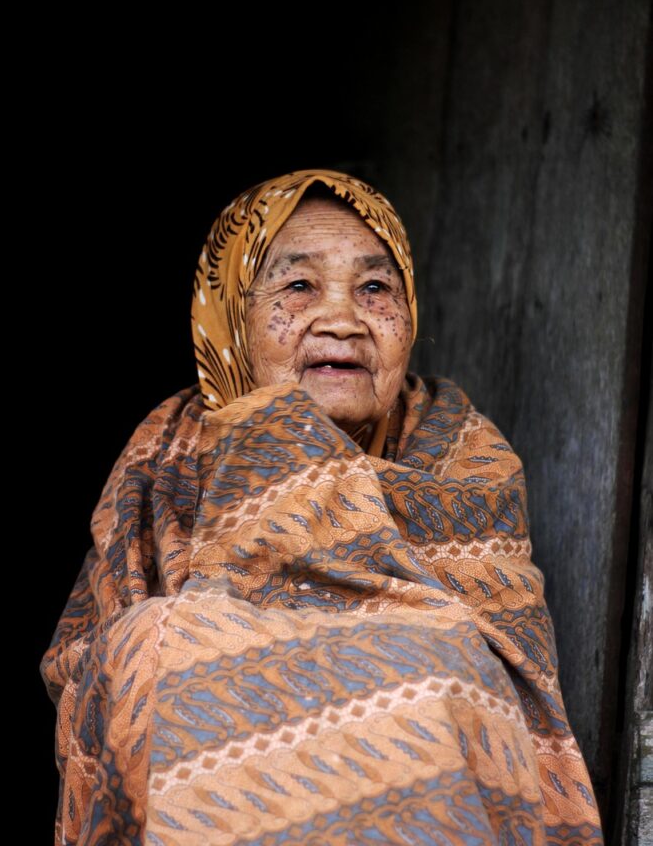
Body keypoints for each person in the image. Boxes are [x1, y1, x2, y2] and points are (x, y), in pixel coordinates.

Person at [41, 169, 603, 845]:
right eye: (299, 286)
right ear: (230, 317)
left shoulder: (462, 454)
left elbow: (503, 679)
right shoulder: (167, 457)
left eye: (375, 289)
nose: (342, 320)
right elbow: (89, 667)